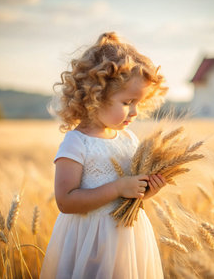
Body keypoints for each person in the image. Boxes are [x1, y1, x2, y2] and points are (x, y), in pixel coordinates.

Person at [40, 32, 169, 279]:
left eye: (138, 104)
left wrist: (145, 191)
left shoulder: (129, 140)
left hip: (127, 236)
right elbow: (65, 201)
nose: (133, 112)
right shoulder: (77, 142)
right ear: (95, 96)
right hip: (89, 239)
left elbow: (131, 192)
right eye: (127, 102)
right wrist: (119, 188)